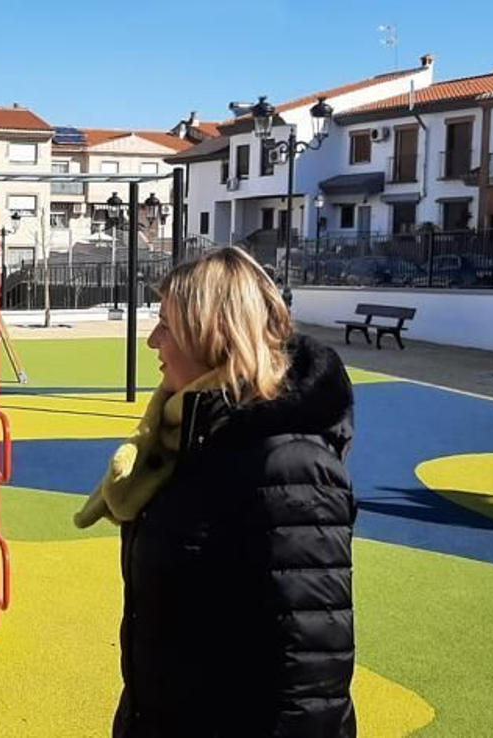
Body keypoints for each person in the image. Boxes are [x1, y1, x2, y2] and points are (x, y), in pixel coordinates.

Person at [74, 246, 357, 737]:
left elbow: (312, 666)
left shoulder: (289, 463)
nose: (152, 340)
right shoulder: (189, 434)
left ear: (210, 334)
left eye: (166, 325)